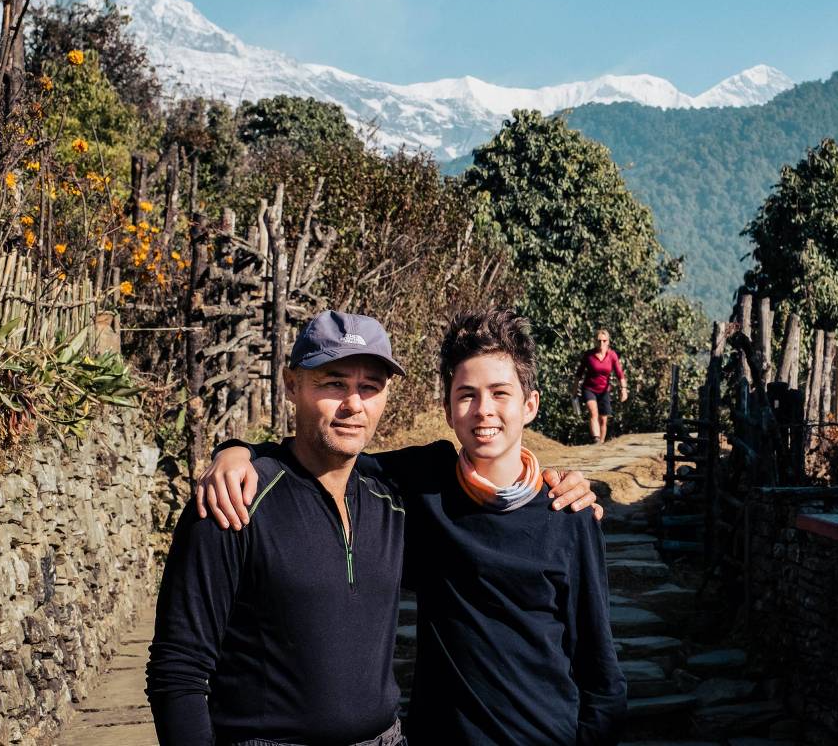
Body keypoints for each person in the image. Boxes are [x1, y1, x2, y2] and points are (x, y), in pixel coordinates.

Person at [146, 311, 601, 746]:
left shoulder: (399, 495)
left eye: (369, 387)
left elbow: (495, 489)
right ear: (291, 384)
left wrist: (561, 492)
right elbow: (178, 669)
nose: (353, 404)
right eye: (333, 383)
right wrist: (235, 451)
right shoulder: (234, 501)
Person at [400, 309, 624, 744]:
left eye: (500, 393)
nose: (483, 410)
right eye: (466, 395)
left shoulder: (568, 514)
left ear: (530, 405)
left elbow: (598, 660)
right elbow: (329, 462)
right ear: (447, 410)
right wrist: (254, 458)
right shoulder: (425, 488)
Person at [576, 329, 627, 444]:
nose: (601, 343)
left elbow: (620, 374)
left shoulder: (612, 355)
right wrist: (574, 389)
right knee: (593, 413)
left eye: (604, 341)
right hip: (589, 389)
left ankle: (601, 444)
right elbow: (579, 373)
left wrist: (623, 389)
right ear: (595, 341)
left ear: (608, 342)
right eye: (599, 341)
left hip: (604, 391)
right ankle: (596, 439)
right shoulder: (589, 355)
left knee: (603, 419)